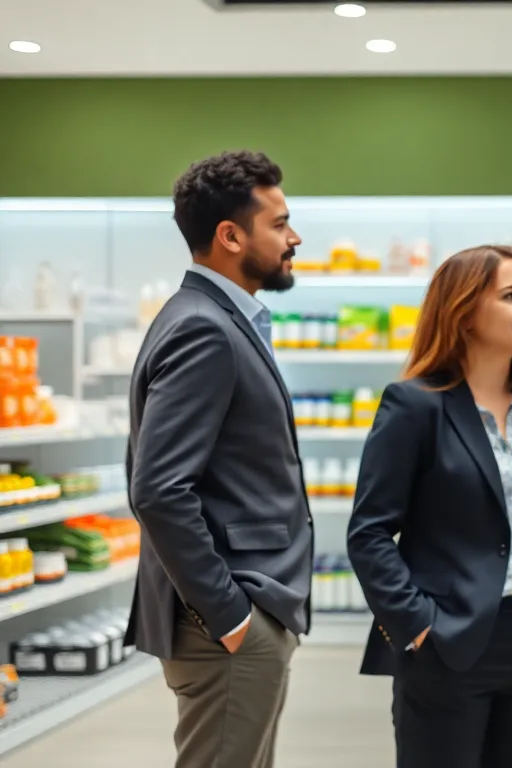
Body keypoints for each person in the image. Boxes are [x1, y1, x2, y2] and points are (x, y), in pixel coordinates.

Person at [346, 245, 512, 768]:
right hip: (451, 640)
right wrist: (419, 624)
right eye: (510, 296)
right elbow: (370, 533)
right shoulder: (415, 405)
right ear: (463, 311)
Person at [126, 150, 309, 768]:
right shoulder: (204, 327)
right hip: (226, 624)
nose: (294, 237)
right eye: (280, 224)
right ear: (230, 236)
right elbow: (157, 489)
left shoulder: (217, 318)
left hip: (240, 612)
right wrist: (230, 614)